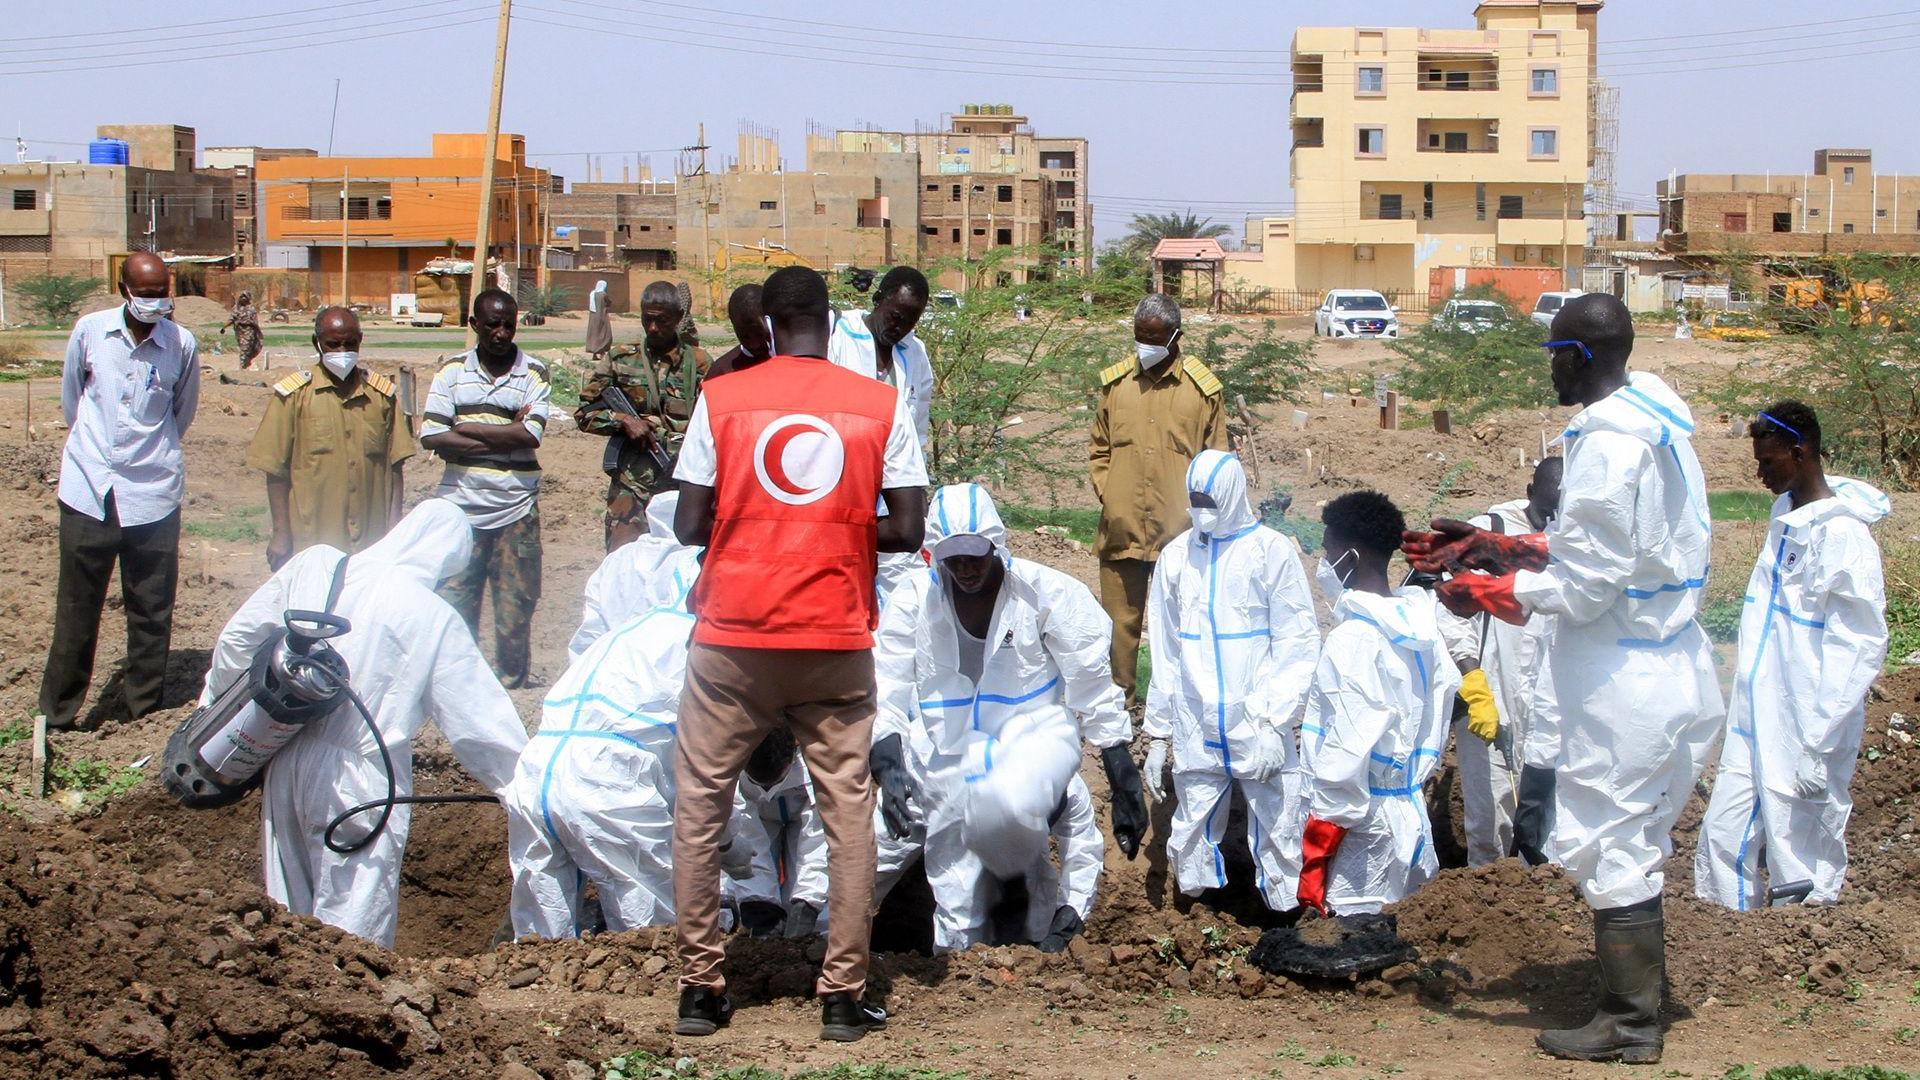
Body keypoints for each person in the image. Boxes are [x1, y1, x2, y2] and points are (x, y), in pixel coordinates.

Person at [1404, 293, 1720, 1064]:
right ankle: (1633, 1008)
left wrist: (1483, 592)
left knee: (1609, 844)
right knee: (1628, 842)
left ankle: (1631, 1021)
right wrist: (1494, 546)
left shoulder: (1611, 447)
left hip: (1625, 683)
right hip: (1665, 665)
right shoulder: (1655, 427)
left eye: (1554, 356)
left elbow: (1591, 584)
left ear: (1579, 356)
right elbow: (1609, 552)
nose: (1550, 371)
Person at [669, 265, 927, 1043]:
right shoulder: (880, 404)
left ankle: (699, 989)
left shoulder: (722, 399)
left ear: (771, 323)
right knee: (849, 815)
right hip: (835, 635)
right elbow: (909, 530)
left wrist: (755, 524)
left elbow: (687, 524)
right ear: (828, 318)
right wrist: (835, 529)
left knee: (700, 806)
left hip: (733, 637)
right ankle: (842, 996)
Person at [201, 499, 526, 947]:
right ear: (447, 562)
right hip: (361, 781)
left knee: (288, 911)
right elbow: (481, 724)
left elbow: (236, 643)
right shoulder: (430, 615)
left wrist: (222, 718)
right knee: (352, 932)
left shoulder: (317, 567)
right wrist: (524, 789)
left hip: (284, 751)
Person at [873, 483, 1136, 952]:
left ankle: (1019, 964)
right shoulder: (914, 599)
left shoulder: (1046, 594)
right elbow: (887, 679)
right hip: (938, 760)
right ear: (936, 556)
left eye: (975, 556)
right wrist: (887, 760)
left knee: (1019, 881)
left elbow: (1092, 682)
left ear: (997, 545)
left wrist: (1120, 767)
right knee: (896, 870)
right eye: (953, 559)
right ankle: (822, 940)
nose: (966, 569)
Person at [1695, 402, 1888, 911]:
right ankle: (1725, 936)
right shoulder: (1786, 515)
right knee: (1725, 828)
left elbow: (1859, 645)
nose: (1759, 474)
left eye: (1768, 462)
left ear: (1800, 453)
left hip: (1806, 721)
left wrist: (1820, 739)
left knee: (1796, 838)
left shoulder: (1843, 536)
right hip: (1758, 707)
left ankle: (1804, 944)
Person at [1142, 450, 1319, 911]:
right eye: (1195, 500)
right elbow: (1164, 648)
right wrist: (1159, 733)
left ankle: (1287, 916)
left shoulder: (1271, 552)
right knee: (1192, 824)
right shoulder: (1176, 558)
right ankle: (1195, 919)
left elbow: (1298, 643)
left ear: (1233, 495)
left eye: (1211, 501)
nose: (1202, 510)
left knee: (1280, 826)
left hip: (1256, 721)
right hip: (1196, 720)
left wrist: (1272, 721)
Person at [40, 251, 199, 730]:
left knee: (151, 610)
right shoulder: (91, 332)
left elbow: (181, 412)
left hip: (153, 493)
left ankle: (140, 713)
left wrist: (149, 455)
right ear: (124, 288)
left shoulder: (181, 344)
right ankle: (58, 715)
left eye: (162, 294)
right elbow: (74, 401)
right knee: (77, 608)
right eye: (146, 294)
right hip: (90, 489)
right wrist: (98, 454)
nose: (155, 303)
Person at [1296, 491, 1462, 918]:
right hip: (1408, 812)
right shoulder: (1422, 630)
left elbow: (1348, 746)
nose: (1324, 560)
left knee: (1354, 945)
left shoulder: (1354, 639)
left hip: (1361, 830)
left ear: (1349, 555)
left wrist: (1321, 841)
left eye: (1329, 549)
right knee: (1405, 938)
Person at [1090, 292, 1228, 710]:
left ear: (1176, 337)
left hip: (1181, 537)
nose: (1144, 345)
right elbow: (1099, 451)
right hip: (1122, 528)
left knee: (1184, 628)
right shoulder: (1115, 386)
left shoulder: (1203, 392)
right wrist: (1111, 495)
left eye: (1154, 338)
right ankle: (1120, 710)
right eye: (1139, 336)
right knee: (1119, 626)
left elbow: (1219, 464)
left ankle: (1180, 711)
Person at [420, 288, 551, 690]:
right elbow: (432, 436)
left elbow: (530, 436)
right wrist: (503, 433)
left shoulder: (534, 373)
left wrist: (469, 428)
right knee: (456, 606)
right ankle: (459, 686)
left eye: (508, 324)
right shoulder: (451, 372)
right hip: (460, 511)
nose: (501, 333)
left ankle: (511, 686)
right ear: (474, 325)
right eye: (492, 324)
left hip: (515, 510)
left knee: (516, 608)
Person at [1434, 457, 1562, 867]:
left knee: (1550, 810)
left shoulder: (1577, 539)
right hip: (1492, 691)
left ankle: (1541, 891)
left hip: (1551, 696)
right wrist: (1473, 680)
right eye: (1545, 512)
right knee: (1490, 809)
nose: (1551, 521)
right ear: (1528, 493)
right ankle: (1485, 895)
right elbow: (1450, 606)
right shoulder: (1491, 533)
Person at [247, 306, 413, 570]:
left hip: (371, 543)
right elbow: (275, 470)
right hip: (312, 543)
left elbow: (395, 466)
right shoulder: (294, 396)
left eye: (350, 344)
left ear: (360, 341)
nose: (342, 352)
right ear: (318, 344)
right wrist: (281, 533)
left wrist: (394, 528)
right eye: (333, 344)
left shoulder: (381, 396)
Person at [576, 280, 710, 551]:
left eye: (661, 321)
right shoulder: (621, 358)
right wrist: (623, 421)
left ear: (679, 319)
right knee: (622, 566)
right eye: (647, 319)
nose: (652, 328)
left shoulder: (698, 363)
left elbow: (714, 423)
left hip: (681, 485)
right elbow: (584, 413)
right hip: (632, 487)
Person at [568, 490, 698, 661]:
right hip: (664, 670)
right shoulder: (692, 561)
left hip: (608, 667)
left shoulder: (619, 558)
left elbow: (590, 631)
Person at [828, 266, 934, 449]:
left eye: (910, 322)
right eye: (896, 317)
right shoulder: (837, 335)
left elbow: (917, 432)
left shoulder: (916, 353)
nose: (900, 328)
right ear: (877, 300)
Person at [707, 284, 771, 379]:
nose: (755, 344)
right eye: (744, 336)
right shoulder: (722, 372)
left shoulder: (791, 360)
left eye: (759, 334)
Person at [220, 290, 265, 370]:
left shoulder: (251, 309)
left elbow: (255, 322)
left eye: (245, 297)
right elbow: (231, 319)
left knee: (246, 349)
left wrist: (258, 333)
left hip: (249, 333)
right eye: (242, 296)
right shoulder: (236, 308)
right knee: (244, 349)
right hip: (239, 333)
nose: (243, 298)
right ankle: (245, 365)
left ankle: (242, 367)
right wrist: (224, 327)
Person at [584, 279, 613, 362]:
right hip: (602, 316)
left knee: (594, 334)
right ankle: (602, 353)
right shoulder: (603, 295)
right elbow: (609, 302)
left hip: (593, 318)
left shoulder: (592, 294)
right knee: (604, 334)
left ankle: (595, 354)